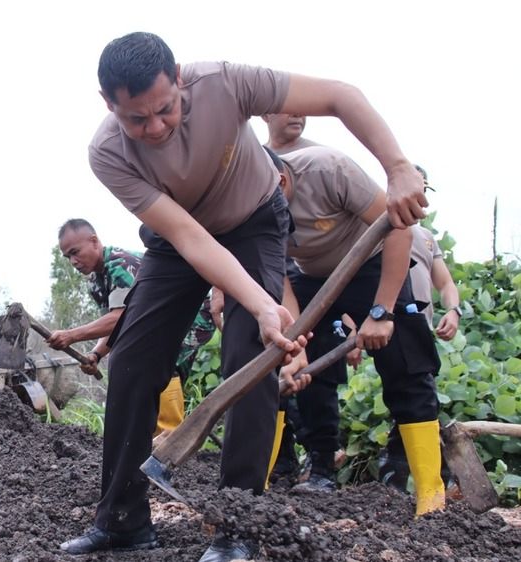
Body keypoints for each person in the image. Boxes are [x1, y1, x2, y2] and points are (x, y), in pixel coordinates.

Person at [60, 32, 427, 561]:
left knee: (250, 357)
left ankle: (239, 525)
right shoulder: (108, 153)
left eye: (165, 110)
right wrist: (255, 299)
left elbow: (341, 95)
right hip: (179, 237)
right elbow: (189, 238)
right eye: (137, 120)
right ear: (108, 106)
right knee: (136, 359)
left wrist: (397, 167)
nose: (156, 128)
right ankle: (122, 520)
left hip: (254, 221)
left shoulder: (225, 83)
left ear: (180, 79)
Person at [267, 145, 443, 517]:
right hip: (311, 279)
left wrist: (383, 310)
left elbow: (398, 227)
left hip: (372, 263)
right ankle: (311, 471)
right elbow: (281, 278)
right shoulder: (250, 205)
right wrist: (295, 341)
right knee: (296, 369)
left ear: (281, 181)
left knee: (407, 365)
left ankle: (431, 493)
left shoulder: (329, 169)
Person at [49, 218, 214, 435]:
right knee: (139, 360)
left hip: (190, 314)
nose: (73, 261)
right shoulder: (97, 282)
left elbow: (121, 318)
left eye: (75, 251)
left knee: (160, 359)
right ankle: (150, 437)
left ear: (94, 241)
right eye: (68, 256)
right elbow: (113, 327)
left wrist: (71, 335)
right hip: (159, 320)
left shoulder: (120, 265)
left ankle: (169, 437)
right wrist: (96, 354)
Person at [377, 164, 461, 490]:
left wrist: (453, 310)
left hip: (418, 326)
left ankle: (398, 476)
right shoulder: (377, 226)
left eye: (425, 189)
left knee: (417, 395)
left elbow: (446, 283)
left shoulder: (427, 238)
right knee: (403, 395)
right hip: (383, 320)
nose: (420, 195)